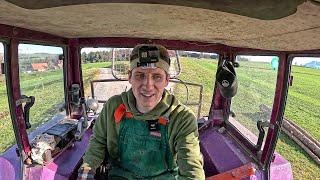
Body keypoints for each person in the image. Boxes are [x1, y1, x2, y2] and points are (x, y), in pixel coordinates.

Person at [78, 44, 205, 179]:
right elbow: (98, 142)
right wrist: (85, 173)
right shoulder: (113, 107)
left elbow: (191, 169)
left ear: (167, 80)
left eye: (157, 77)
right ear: (129, 77)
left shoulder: (182, 118)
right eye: (140, 75)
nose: (148, 86)